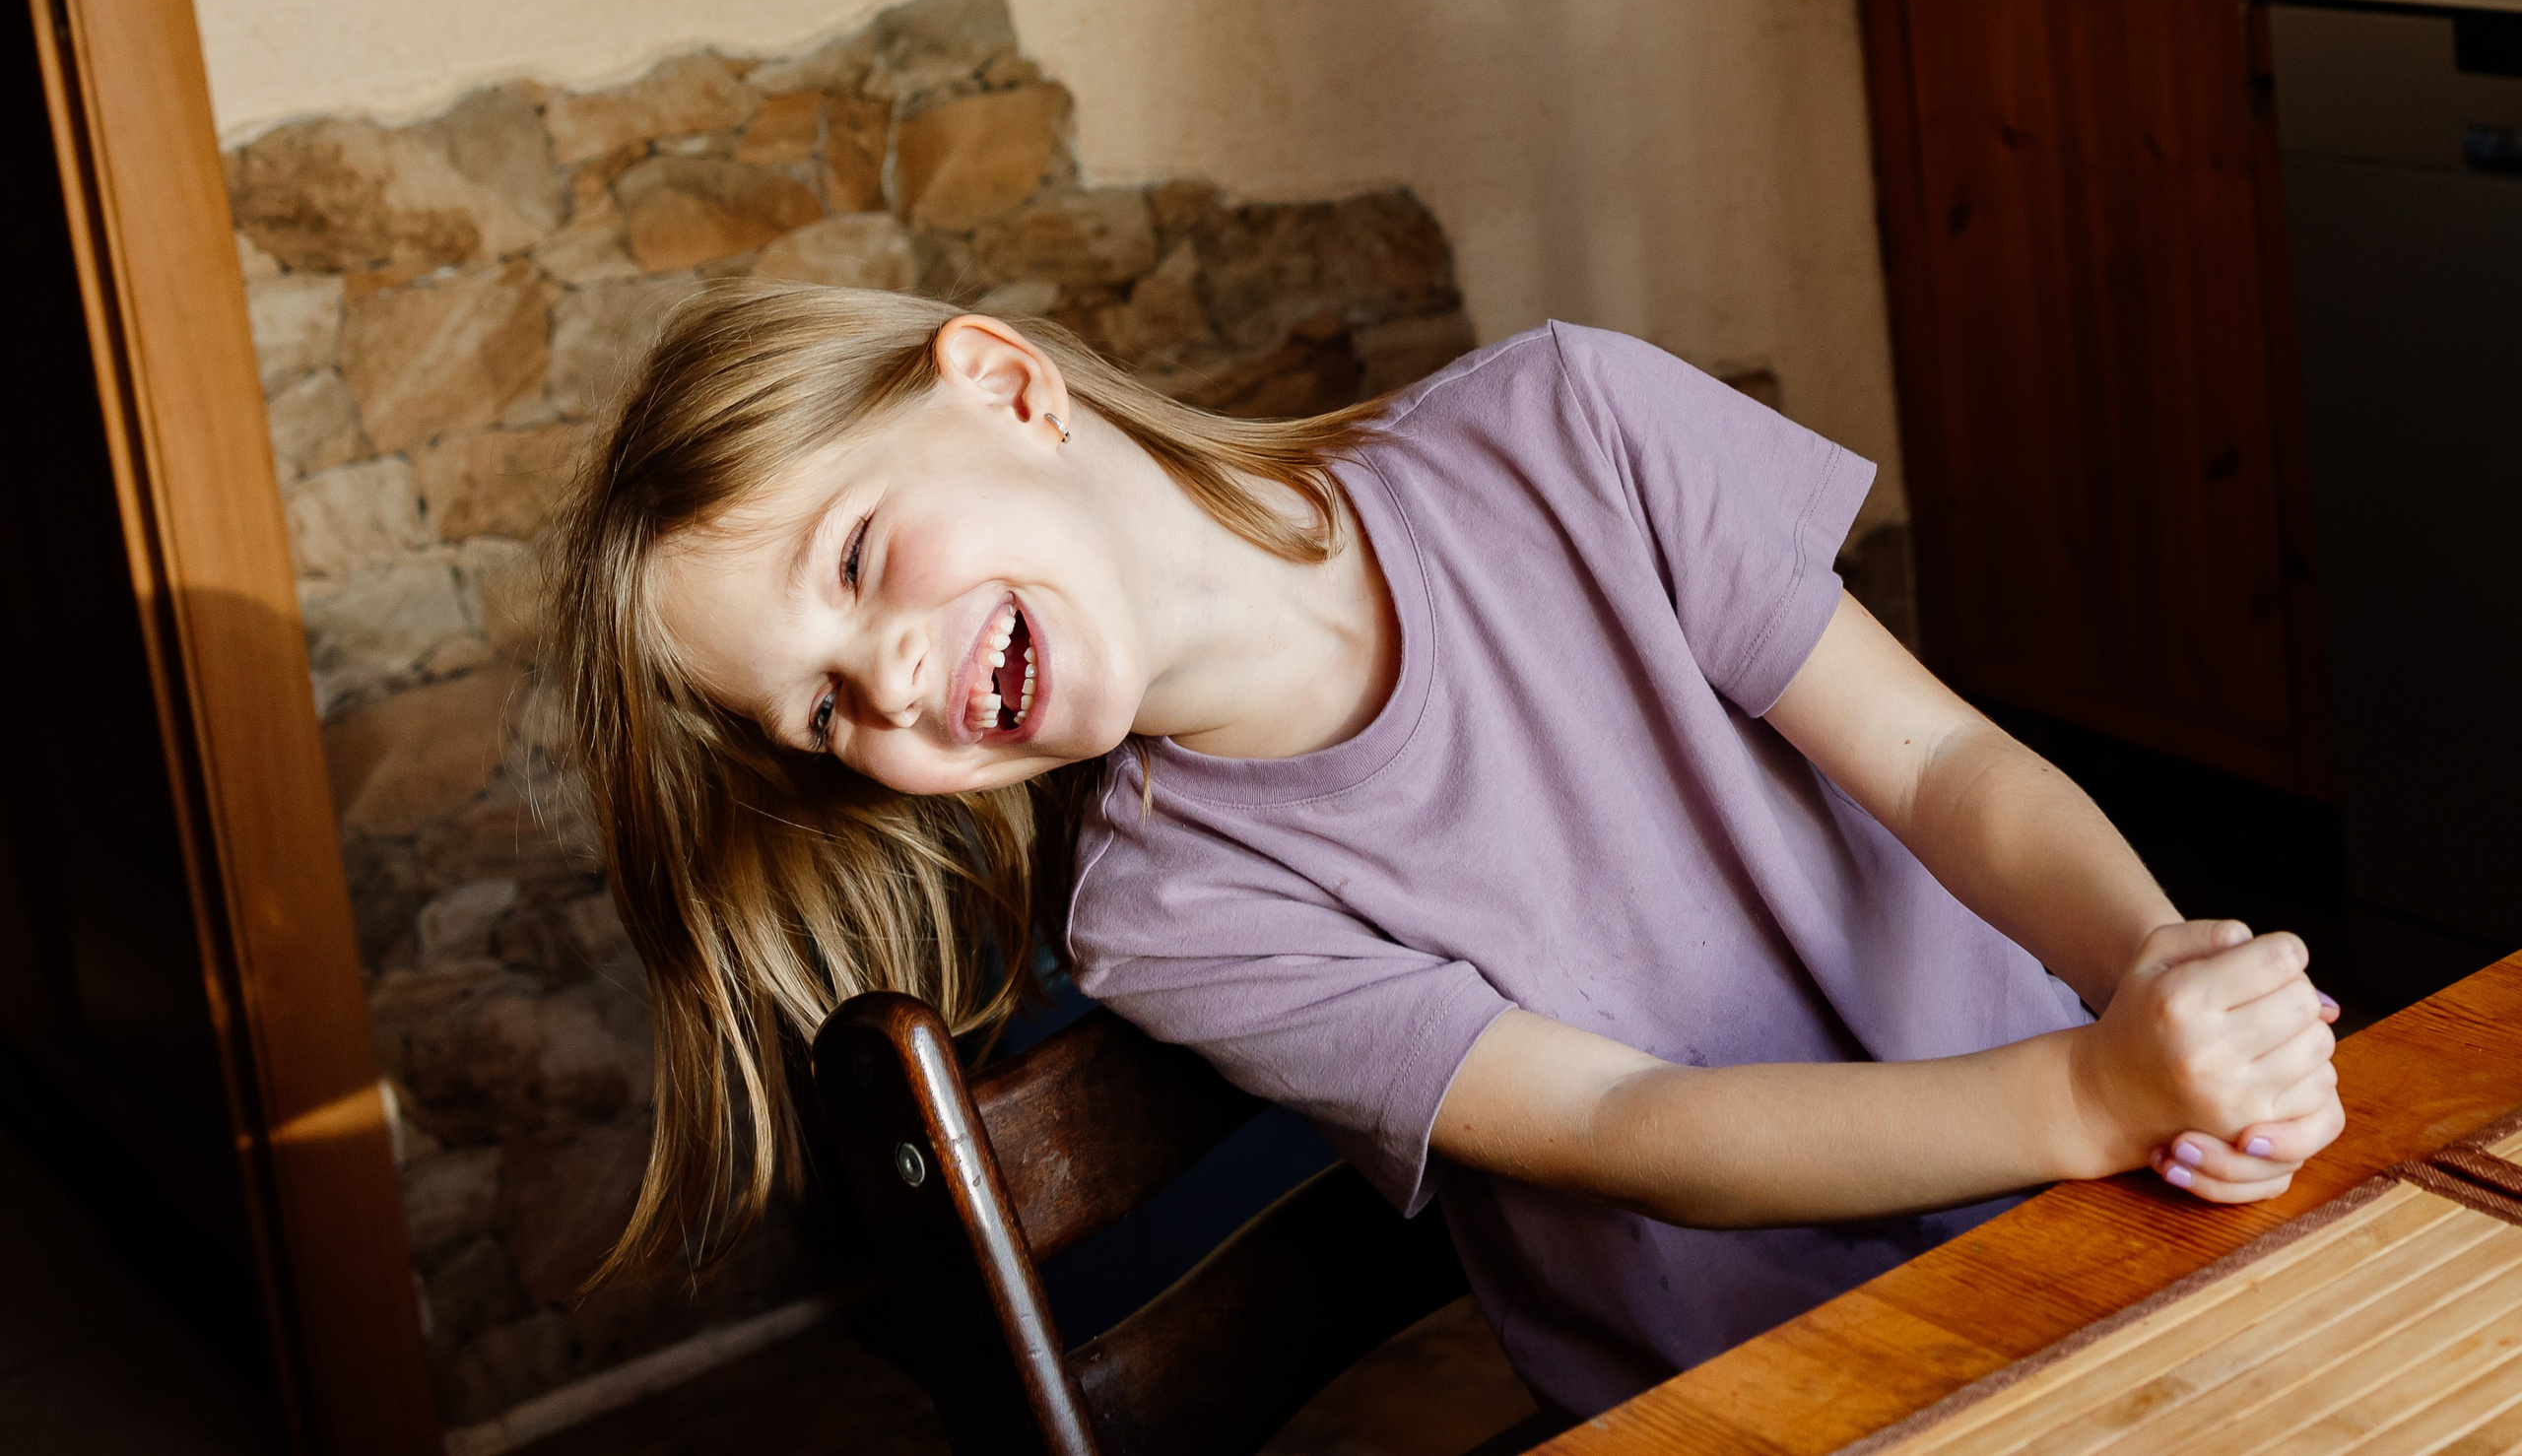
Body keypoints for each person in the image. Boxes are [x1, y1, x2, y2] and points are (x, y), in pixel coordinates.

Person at [549, 280, 2343, 1419]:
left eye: (857, 564)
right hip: (1774, 1394)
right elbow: (1626, 1128)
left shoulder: (1573, 425)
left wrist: (2164, 987)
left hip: (2111, 1212)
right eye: (825, 717)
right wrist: (2090, 1093)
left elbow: (1946, 764)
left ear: (1007, 386)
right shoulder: (1175, 914)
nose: (889, 683)